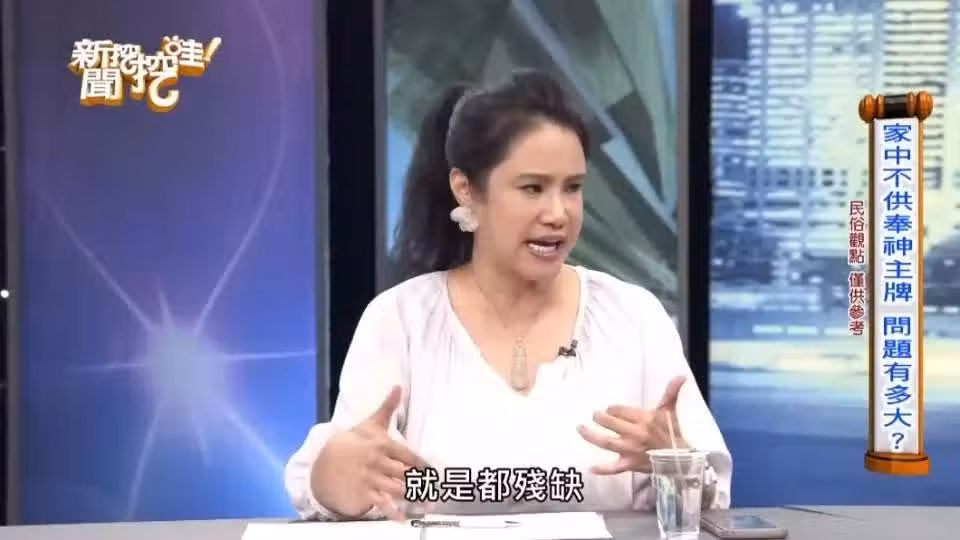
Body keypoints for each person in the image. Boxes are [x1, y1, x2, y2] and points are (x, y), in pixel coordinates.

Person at [285, 69, 732, 520]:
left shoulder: (634, 317)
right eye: (532, 188)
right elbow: (346, 484)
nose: (558, 213)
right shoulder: (400, 320)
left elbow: (710, 498)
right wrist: (333, 479)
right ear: (466, 189)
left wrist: (676, 461)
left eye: (573, 188)